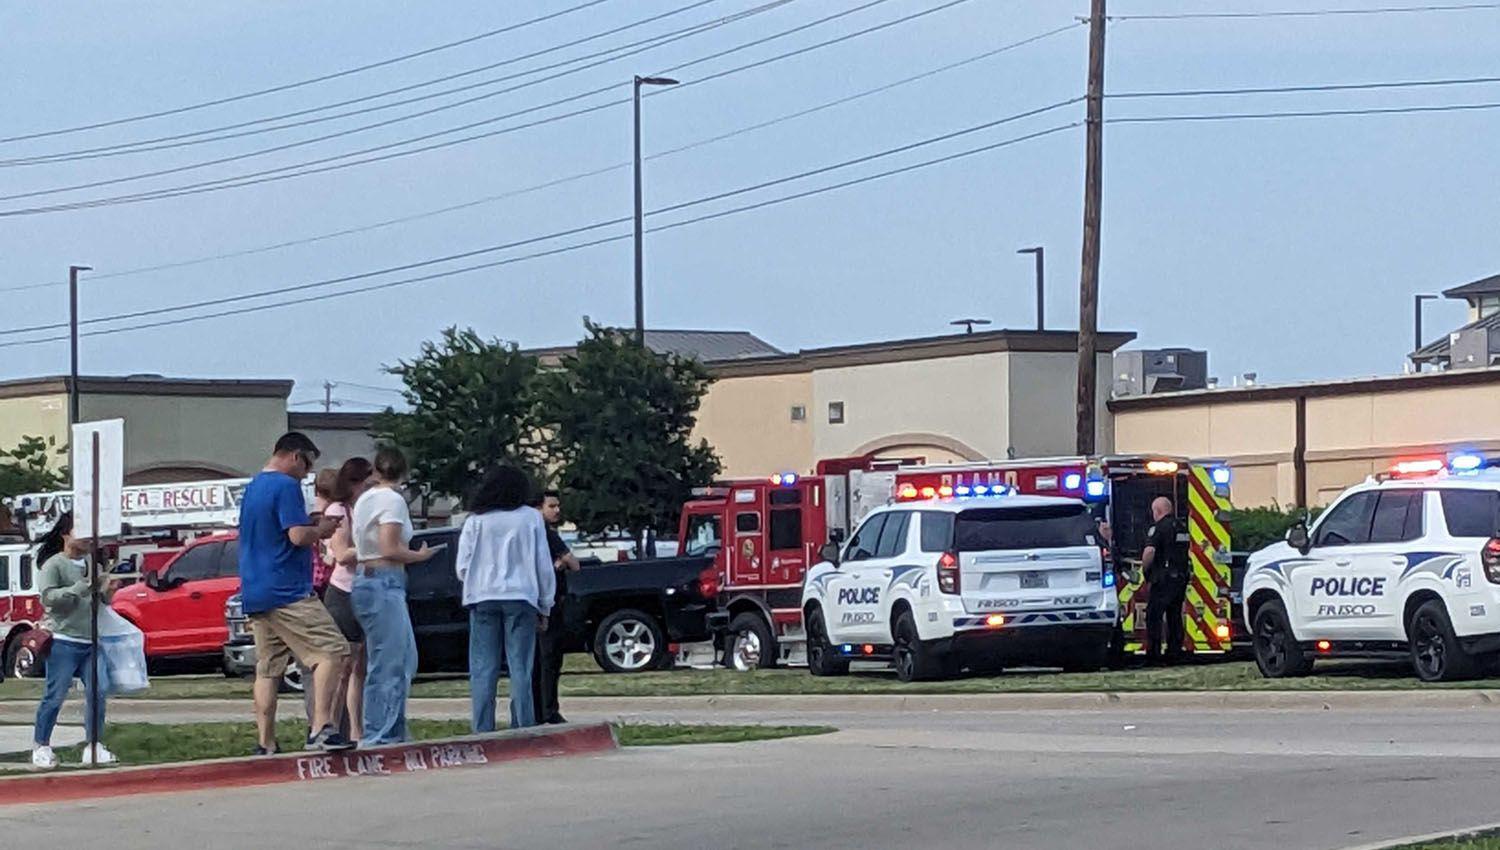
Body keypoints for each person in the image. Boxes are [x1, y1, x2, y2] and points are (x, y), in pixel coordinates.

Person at [239, 432, 353, 754]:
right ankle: (321, 728)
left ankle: (265, 743)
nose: (306, 475)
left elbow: (272, 529)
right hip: (286, 590)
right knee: (333, 651)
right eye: (307, 465)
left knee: (268, 667)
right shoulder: (286, 486)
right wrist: (322, 531)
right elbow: (297, 536)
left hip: (255, 590)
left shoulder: (254, 487)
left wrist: (310, 520)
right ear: (294, 456)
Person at [456, 466, 555, 733]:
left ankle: (482, 727)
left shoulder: (475, 520)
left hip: (482, 596)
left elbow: (462, 567)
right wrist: (546, 603)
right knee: (520, 667)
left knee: (483, 668)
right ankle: (523, 725)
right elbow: (543, 564)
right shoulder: (531, 518)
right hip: (521, 596)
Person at [350, 447, 433, 746]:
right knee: (390, 662)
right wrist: (419, 555)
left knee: (401, 658)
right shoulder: (392, 500)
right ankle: (380, 734)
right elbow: (388, 546)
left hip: (368, 580)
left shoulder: (365, 499)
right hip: (384, 579)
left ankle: (392, 727)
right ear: (403, 472)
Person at [31, 511, 118, 768]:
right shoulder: (54, 565)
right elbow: (48, 599)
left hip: (91, 641)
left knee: (98, 692)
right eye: (82, 532)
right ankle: (41, 746)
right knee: (55, 695)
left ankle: (94, 745)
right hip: (63, 640)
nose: (89, 539)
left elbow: (99, 600)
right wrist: (79, 588)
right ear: (66, 535)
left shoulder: (94, 564)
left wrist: (107, 593)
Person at [323, 456, 375, 742]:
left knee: (360, 668)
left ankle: (357, 730)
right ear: (355, 481)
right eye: (367, 482)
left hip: (364, 589)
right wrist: (374, 547)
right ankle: (330, 724)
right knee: (344, 665)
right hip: (343, 592)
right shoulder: (338, 510)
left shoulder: (362, 509)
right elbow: (342, 554)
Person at [531, 490, 580, 726]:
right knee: (548, 659)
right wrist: (560, 563)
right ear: (538, 508)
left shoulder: (536, 533)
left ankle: (536, 711)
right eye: (551, 506)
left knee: (540, 660)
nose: (557, 510)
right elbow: (574, 562)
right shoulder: (545, 533)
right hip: (548, 604)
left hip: (540, 602)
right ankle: (548, 711)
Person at [1141, 496, 1188, 666]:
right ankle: (1174, 653)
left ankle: (1154, 655)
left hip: (1163, 579)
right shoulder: (1182, 527)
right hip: (1180, 578)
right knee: (1175, 617)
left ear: (1157, 511)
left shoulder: (1159, 528)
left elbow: (1150, 552)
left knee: (1154, 617)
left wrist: (1145, 571)